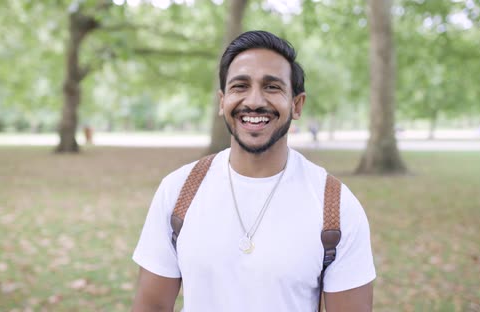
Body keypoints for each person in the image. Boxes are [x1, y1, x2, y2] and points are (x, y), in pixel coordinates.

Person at [131, 30, 375, 312]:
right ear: (222, 102)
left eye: (272, 87)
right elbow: (151, 307)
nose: (254, 101)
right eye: (240, 86)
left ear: (296, 105)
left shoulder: (336, 206)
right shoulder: (178, 191)